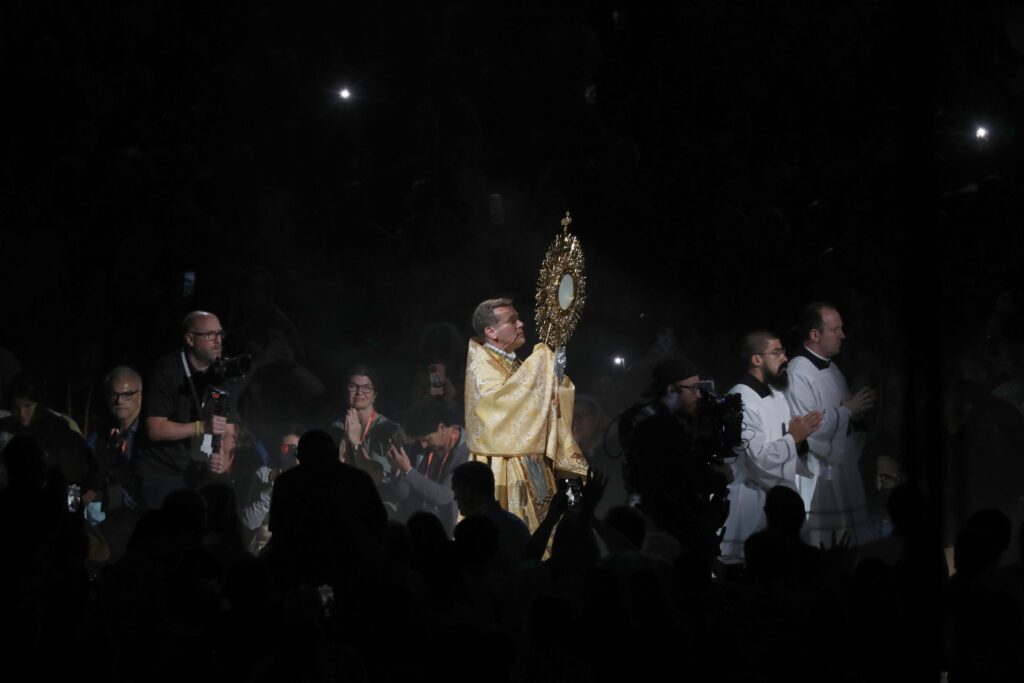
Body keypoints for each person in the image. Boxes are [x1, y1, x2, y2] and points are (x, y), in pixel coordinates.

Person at [463, 298, 587, 533]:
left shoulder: (514, 362)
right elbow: (502, 406)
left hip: (533, 461)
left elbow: (542, 396)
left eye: (518, 318)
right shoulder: (481, 366)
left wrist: (556, 364)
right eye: (512, 321)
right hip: (505, 467)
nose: (521, 324)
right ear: (491, 331)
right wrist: (542, 358)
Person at [719, 332, 822, 562]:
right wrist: (793, 439)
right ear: (756, 359)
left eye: (783, 351)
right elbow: (757, 461)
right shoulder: (740, 399)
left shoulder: (776, 392)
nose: (785, 358)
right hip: (754, 500)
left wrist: (802, 439)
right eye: (777, 353)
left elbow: (786, 439)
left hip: (782, 498)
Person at [785, 303, 877, 547]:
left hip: (843, 467)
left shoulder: (832, 368)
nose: (842, 335)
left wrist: (855, 415)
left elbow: (844, 409)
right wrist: (847, 411)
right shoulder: (798, 372)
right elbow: (809, 427)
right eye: (835, 330)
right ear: (815, 335)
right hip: (820, 472)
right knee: (825, 542)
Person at [624, 356, 732, 560]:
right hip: (669, 529)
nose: (698, 395)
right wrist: (720, 478)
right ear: (671, 389)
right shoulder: (659, 427)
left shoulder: (655, 420)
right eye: (692, 389)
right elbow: (684, 477)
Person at [136, 311, 237, 509]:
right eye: (209, 335)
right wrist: (201, 427)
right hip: (162, 471)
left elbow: (229, 427)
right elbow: (155, 428)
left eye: (220, 334)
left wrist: (223, 458)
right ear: (190, 339)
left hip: (198, 470)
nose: (218, 341)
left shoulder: (223, 372)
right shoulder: (166, 369)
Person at [82, 366, 146, 561]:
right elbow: (77, 477)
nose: (119, 401)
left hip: (144, 520)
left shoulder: (150, 435)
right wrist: (72, 509)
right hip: (111, 524)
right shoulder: (101, 436)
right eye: (114, 394)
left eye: (127, 395)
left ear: (140, 395)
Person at [384, 398, 468, 537]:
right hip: (418, 528)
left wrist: (408, 471)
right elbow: (403, 495)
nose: (423, 445)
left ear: (442, 428)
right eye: (419, 440)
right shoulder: (420, 447)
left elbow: (444, 496)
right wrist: (397, 469)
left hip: (449, 533)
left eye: (426, 439)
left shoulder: (466, 452)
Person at [450, 460, 530, 572]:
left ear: (469, 492)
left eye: (456, 490)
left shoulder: (475, 532)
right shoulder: (516, 523)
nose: (455, 498)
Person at [329, 365, 394, 486]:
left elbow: (377, 476)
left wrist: (355, 442)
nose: (359, 392)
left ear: (375, 395)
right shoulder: (336, 426)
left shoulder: (386, 428)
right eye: (353, 386)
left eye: (366, 388)